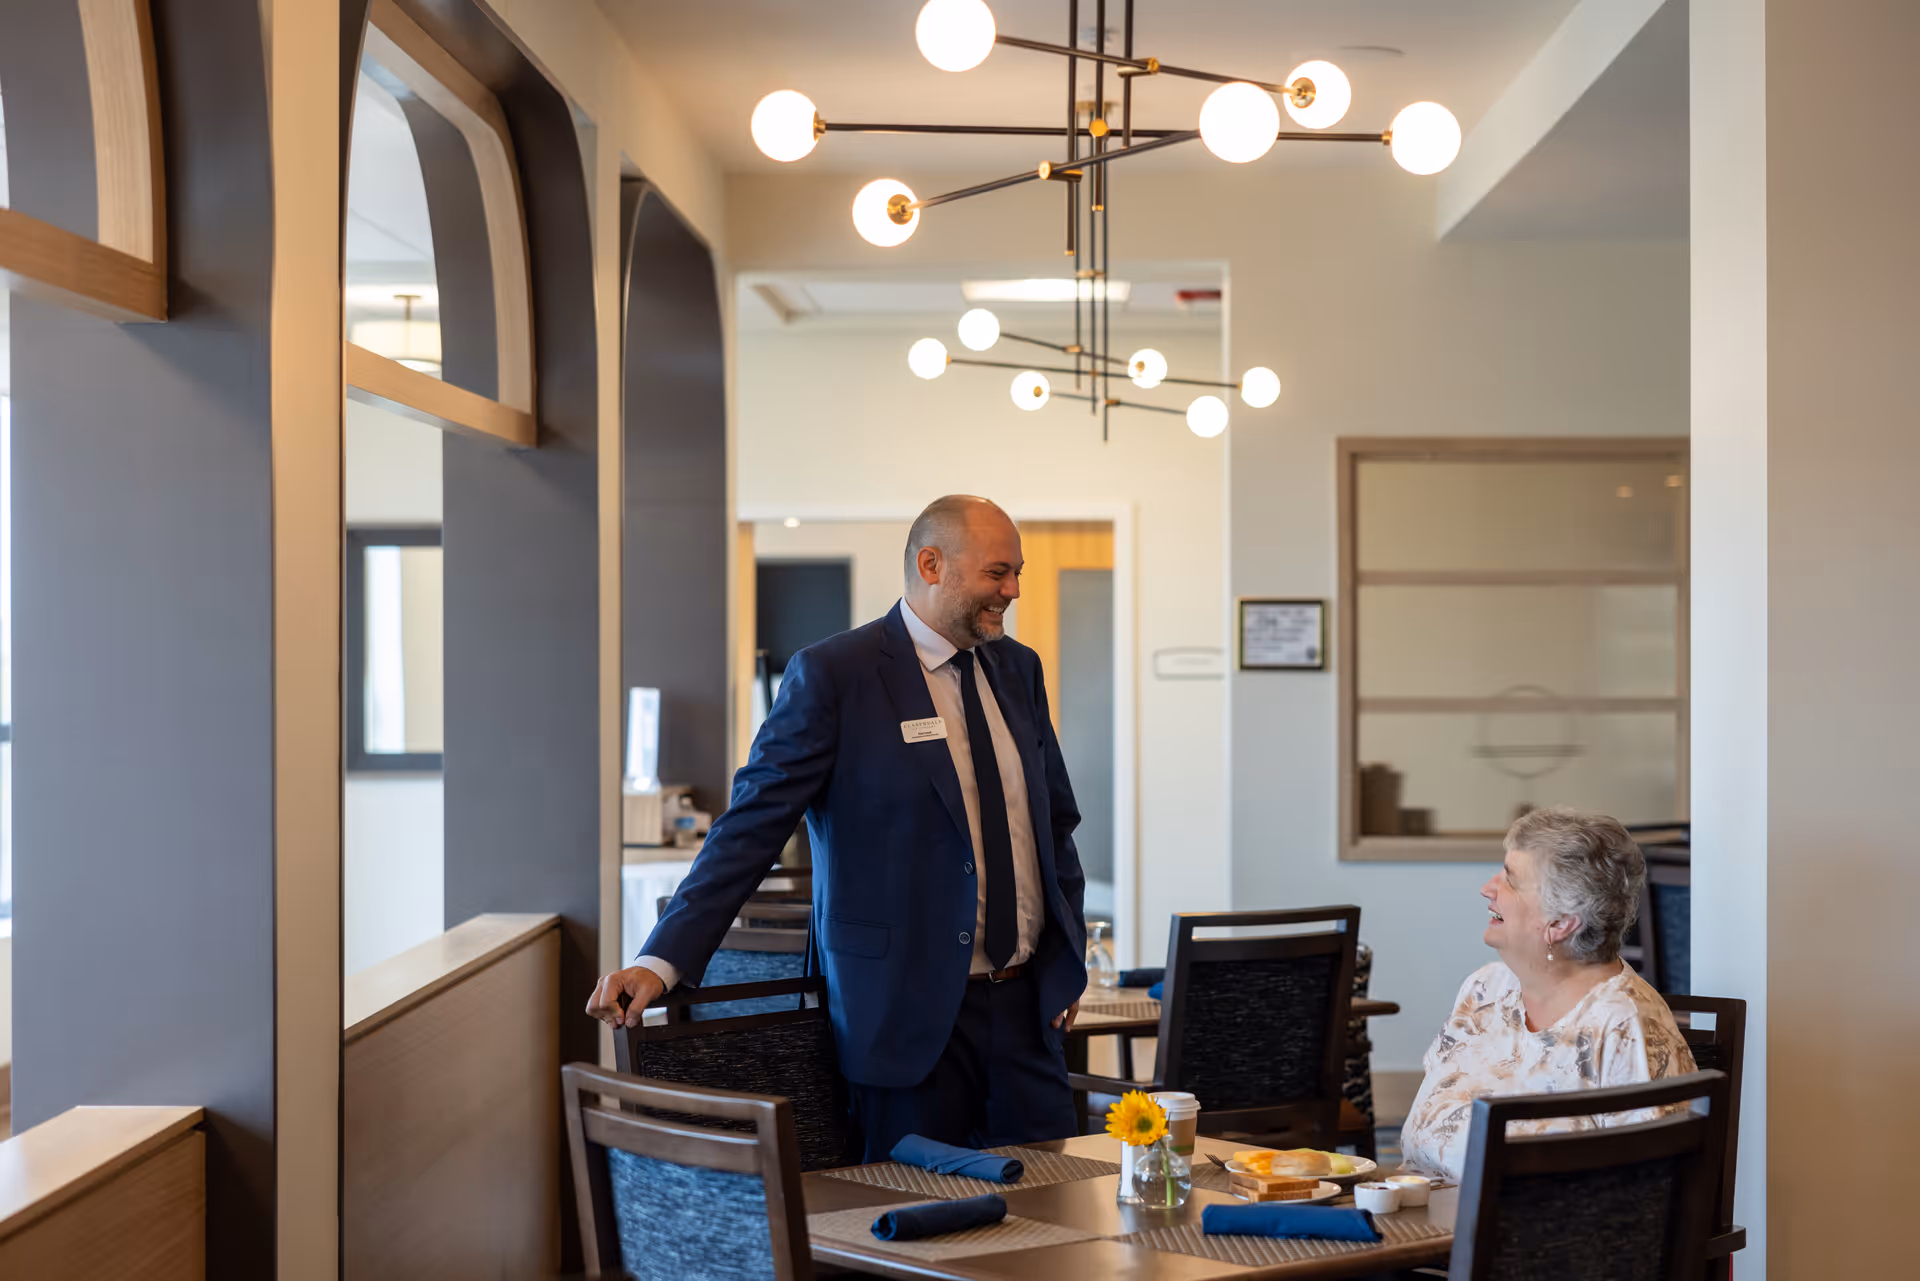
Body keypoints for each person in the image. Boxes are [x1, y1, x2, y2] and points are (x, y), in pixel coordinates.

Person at [586, 495, 1087, 1160]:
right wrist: (662, 957)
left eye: (1017, 572)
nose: (1013, 590)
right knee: (916, 1234)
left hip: (1027, 1016)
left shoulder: (1018, 668)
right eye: (999, 572)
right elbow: (751, 827)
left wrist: (1065, 962)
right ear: (931, 564)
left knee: (1054, 1216)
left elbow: (1053, 824)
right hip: (903, 1023)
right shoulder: (835, 675)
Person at [1399, 807, 1695, 1180]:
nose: (1487, 888)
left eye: (1510, 880)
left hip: (1536, 1236)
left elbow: (1651, 1190)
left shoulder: (1623, 1025)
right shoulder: (1485, 989)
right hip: (1417, 1221)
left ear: (1560, 923)